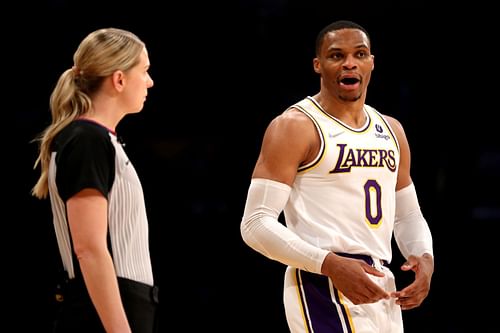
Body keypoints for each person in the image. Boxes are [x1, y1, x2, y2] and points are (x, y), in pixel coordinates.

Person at [240, 20, 434, 333]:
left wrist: (425, 257)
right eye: (336, 55)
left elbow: (408, 215)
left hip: (381, 283)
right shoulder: (295, 125)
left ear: (371, 63)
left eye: (359, 54)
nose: (349, 63)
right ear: (318, 65)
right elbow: (254, 223)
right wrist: (329, 264)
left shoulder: (392, 130)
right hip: (321, 280)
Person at [32, 27, 159, 333]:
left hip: (119, 304)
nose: (150, 82)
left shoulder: (97, 139)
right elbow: (88, 248)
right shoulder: (87, 139)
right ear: (119, 79)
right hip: (103, 311)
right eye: (144, 71)